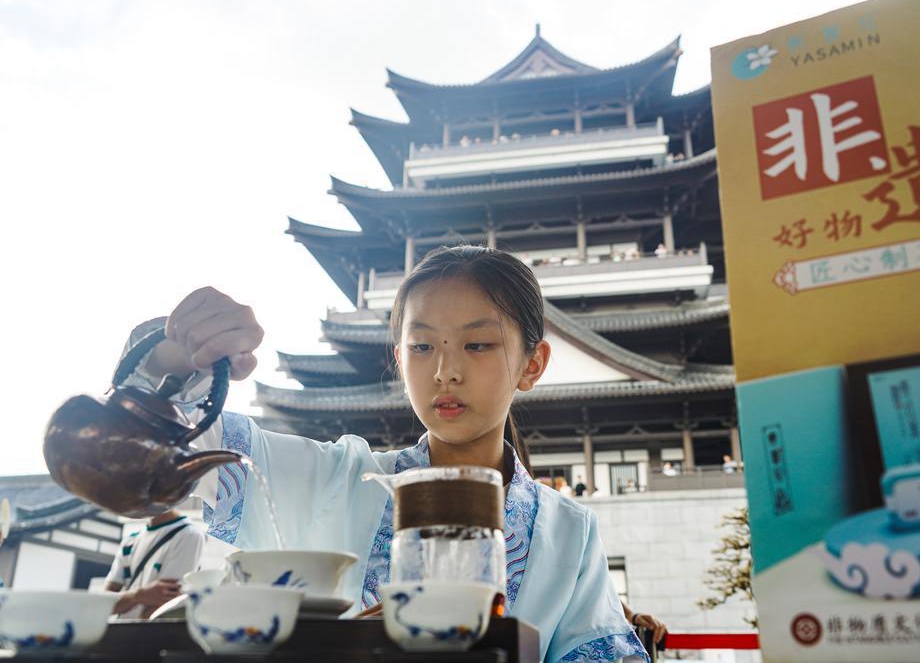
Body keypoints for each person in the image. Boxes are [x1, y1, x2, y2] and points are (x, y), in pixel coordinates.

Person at [116, 246, 648, 662]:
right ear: (400, 358)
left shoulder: (569, 531)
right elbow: (160, 448)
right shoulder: (337, 479)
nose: (445, 371)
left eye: (477, 344)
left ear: (533, 365)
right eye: (422, 346)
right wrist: (178, 354)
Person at [104, 508, 204, 619]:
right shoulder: (130, 541)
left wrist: (126, 600)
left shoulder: (188, 535)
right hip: (122, 632)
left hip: (144, 634)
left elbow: (161, 609)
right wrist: (138, 595)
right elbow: (103, 603)